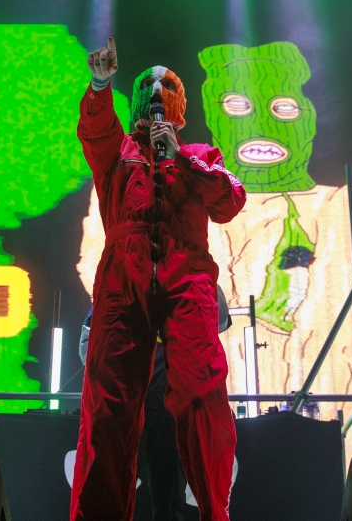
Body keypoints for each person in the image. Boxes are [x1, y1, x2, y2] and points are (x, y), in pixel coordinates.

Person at [70, 37, 246, 521]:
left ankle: (214, 512)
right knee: (108, 407)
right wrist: (99, 85)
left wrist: (181, 158)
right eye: (147, 87)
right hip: (122, 282)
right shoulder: (119, 152)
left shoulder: (201, 155)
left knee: (202, 393)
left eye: (165, 88)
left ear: (178, 106)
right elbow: (94, 129)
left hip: (186, 278)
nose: (155, 94)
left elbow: (230, 201)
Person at [79, 287, 233, 521]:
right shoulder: (122, 280)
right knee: (112, 485)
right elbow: (88, 343)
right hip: (125, 404)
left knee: (167, 491)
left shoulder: (188, 278)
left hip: (168, 408)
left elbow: (218, 319)